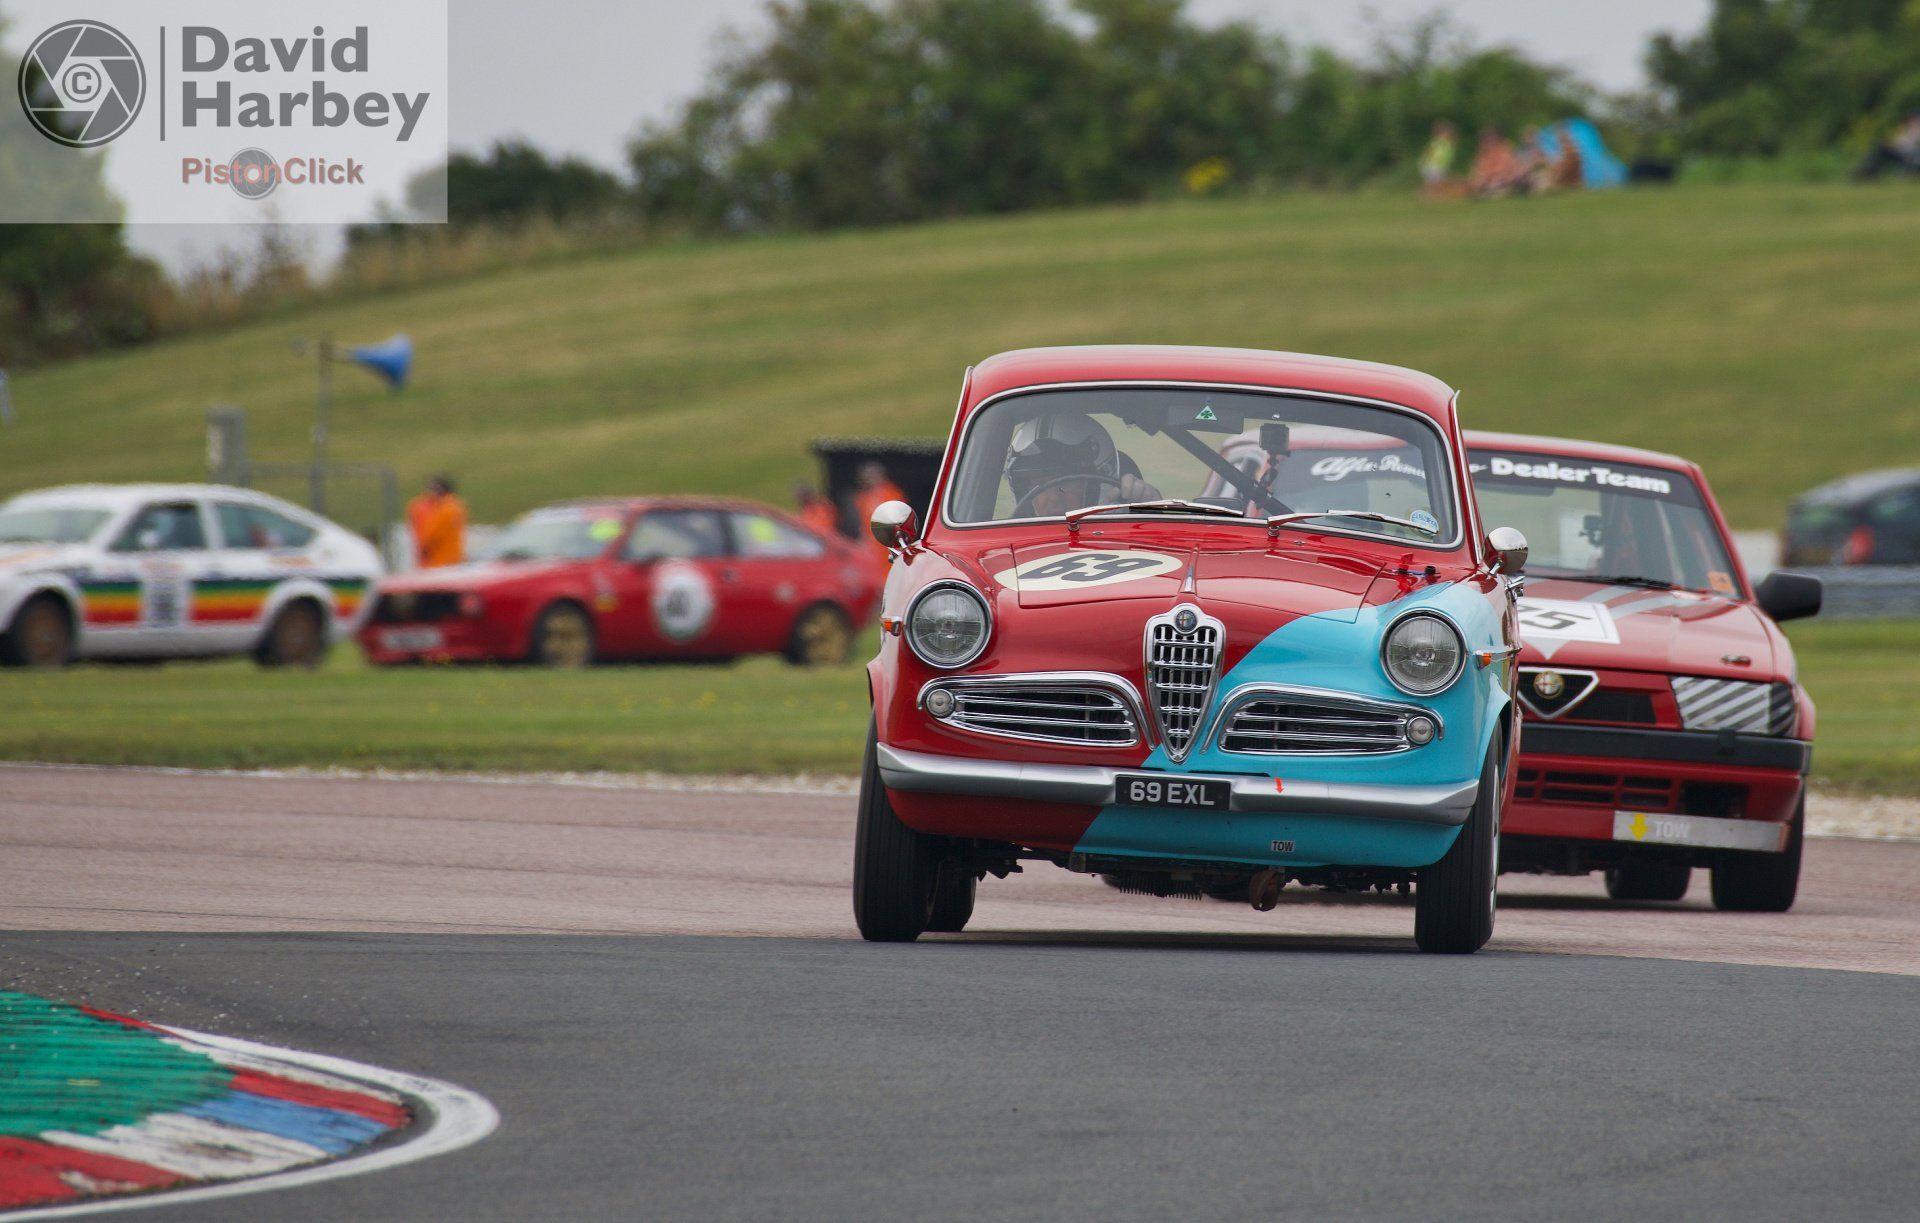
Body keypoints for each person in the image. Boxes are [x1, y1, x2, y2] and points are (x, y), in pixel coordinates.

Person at [1004, 414, 1158, 518]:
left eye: (1066, 482)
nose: (1053, 498)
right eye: (1037, 484)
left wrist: (1153, 514)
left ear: (1100, 484)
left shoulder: (1128, 535)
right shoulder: (1007, 549)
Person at [853, 461, 909, 565]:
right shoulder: (862, 497)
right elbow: (861, 522)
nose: (869, 478)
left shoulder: (892, 492)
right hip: (871, 544)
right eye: (867, 475)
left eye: (872, 474)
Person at [407, 475, 467, 569]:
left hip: (439, 561)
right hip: (454, 558)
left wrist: (424, 547)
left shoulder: (444, 509)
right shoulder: (456, 505)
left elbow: (432, 533)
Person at [1855, 112, 1920, 179]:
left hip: (1911, 156)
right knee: (1881, 147)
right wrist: (1890, 142)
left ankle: (1870, 171)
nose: (1911, 122)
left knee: (1882, 148)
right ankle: (1869, 170)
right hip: (1902, 153)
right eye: (1911, 120)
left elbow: (1911, 146)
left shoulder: (1917, 131)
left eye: (1914, 120)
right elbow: (1899, 142)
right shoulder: (1905, 130)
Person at [1418, 120, 1458, 196]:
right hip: (1432, 166)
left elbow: (1447, 157)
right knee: (1434, 182)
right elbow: (1429, 153)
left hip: (1439, 166)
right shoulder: (1437, 143)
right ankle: (1426, 194)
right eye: (1444, 134)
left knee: (1438, 182)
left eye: (1448, 134)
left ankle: (1430, 194)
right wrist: (1426, 162)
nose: (1446, 135)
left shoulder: (1448, 144)